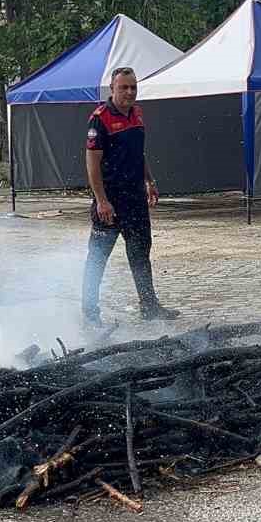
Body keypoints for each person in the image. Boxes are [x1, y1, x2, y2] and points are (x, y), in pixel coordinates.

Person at [80, 67, 179, 328]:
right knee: (98, 258)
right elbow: (92, 163)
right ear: (112, 89)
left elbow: (138, 152)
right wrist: (101, 200)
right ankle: (90, 314)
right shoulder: (99, 119)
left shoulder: (137, 114)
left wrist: (149, 180)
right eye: (124, 87)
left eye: (133, 87)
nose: (129, 92)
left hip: (135, 198)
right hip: (110, 202)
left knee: (140, 254)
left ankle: (149, 306)